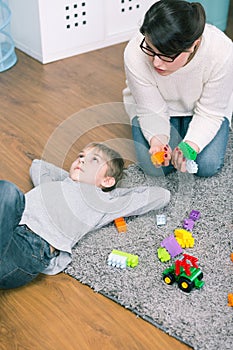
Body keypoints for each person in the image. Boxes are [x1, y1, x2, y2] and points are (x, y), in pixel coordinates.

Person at [0, 142, 170, 289]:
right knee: (6, 193)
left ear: (107, 181)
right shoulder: (57, 184)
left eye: (94, 160)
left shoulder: (104, 202)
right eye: (81, 156)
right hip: (10, 225)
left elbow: (161, 195)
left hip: (28, 248)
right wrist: (72, 178)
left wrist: (110, 190)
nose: (81, 159)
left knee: (9, 192)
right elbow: (38, 165)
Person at [123, 0, 233, 177]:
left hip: (204, 110)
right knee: (155, 167)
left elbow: (210, 112)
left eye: (167, 56)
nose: (156, 63)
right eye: (150, 50)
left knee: (206, 165)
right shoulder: (135, 52)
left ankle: (184, 132)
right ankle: (177, 133)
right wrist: (157, 140)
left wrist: (191, 145)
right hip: (155, 109)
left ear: (194, 45)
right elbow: (150, 109)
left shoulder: (222, 52)